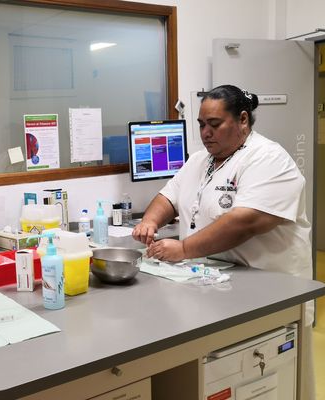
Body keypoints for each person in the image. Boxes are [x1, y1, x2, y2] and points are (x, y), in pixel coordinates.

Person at [132, 84, 314, 399]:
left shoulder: (269, 159)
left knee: (277, 382)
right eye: (202, 125)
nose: (205, 133)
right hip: (215, 293)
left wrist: (184, 249)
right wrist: (150, 220)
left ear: (243, 120)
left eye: (214, 125)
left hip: (269, 297)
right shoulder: (200, 160)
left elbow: (245, 221)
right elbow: (170, 196)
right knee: (218, 379)